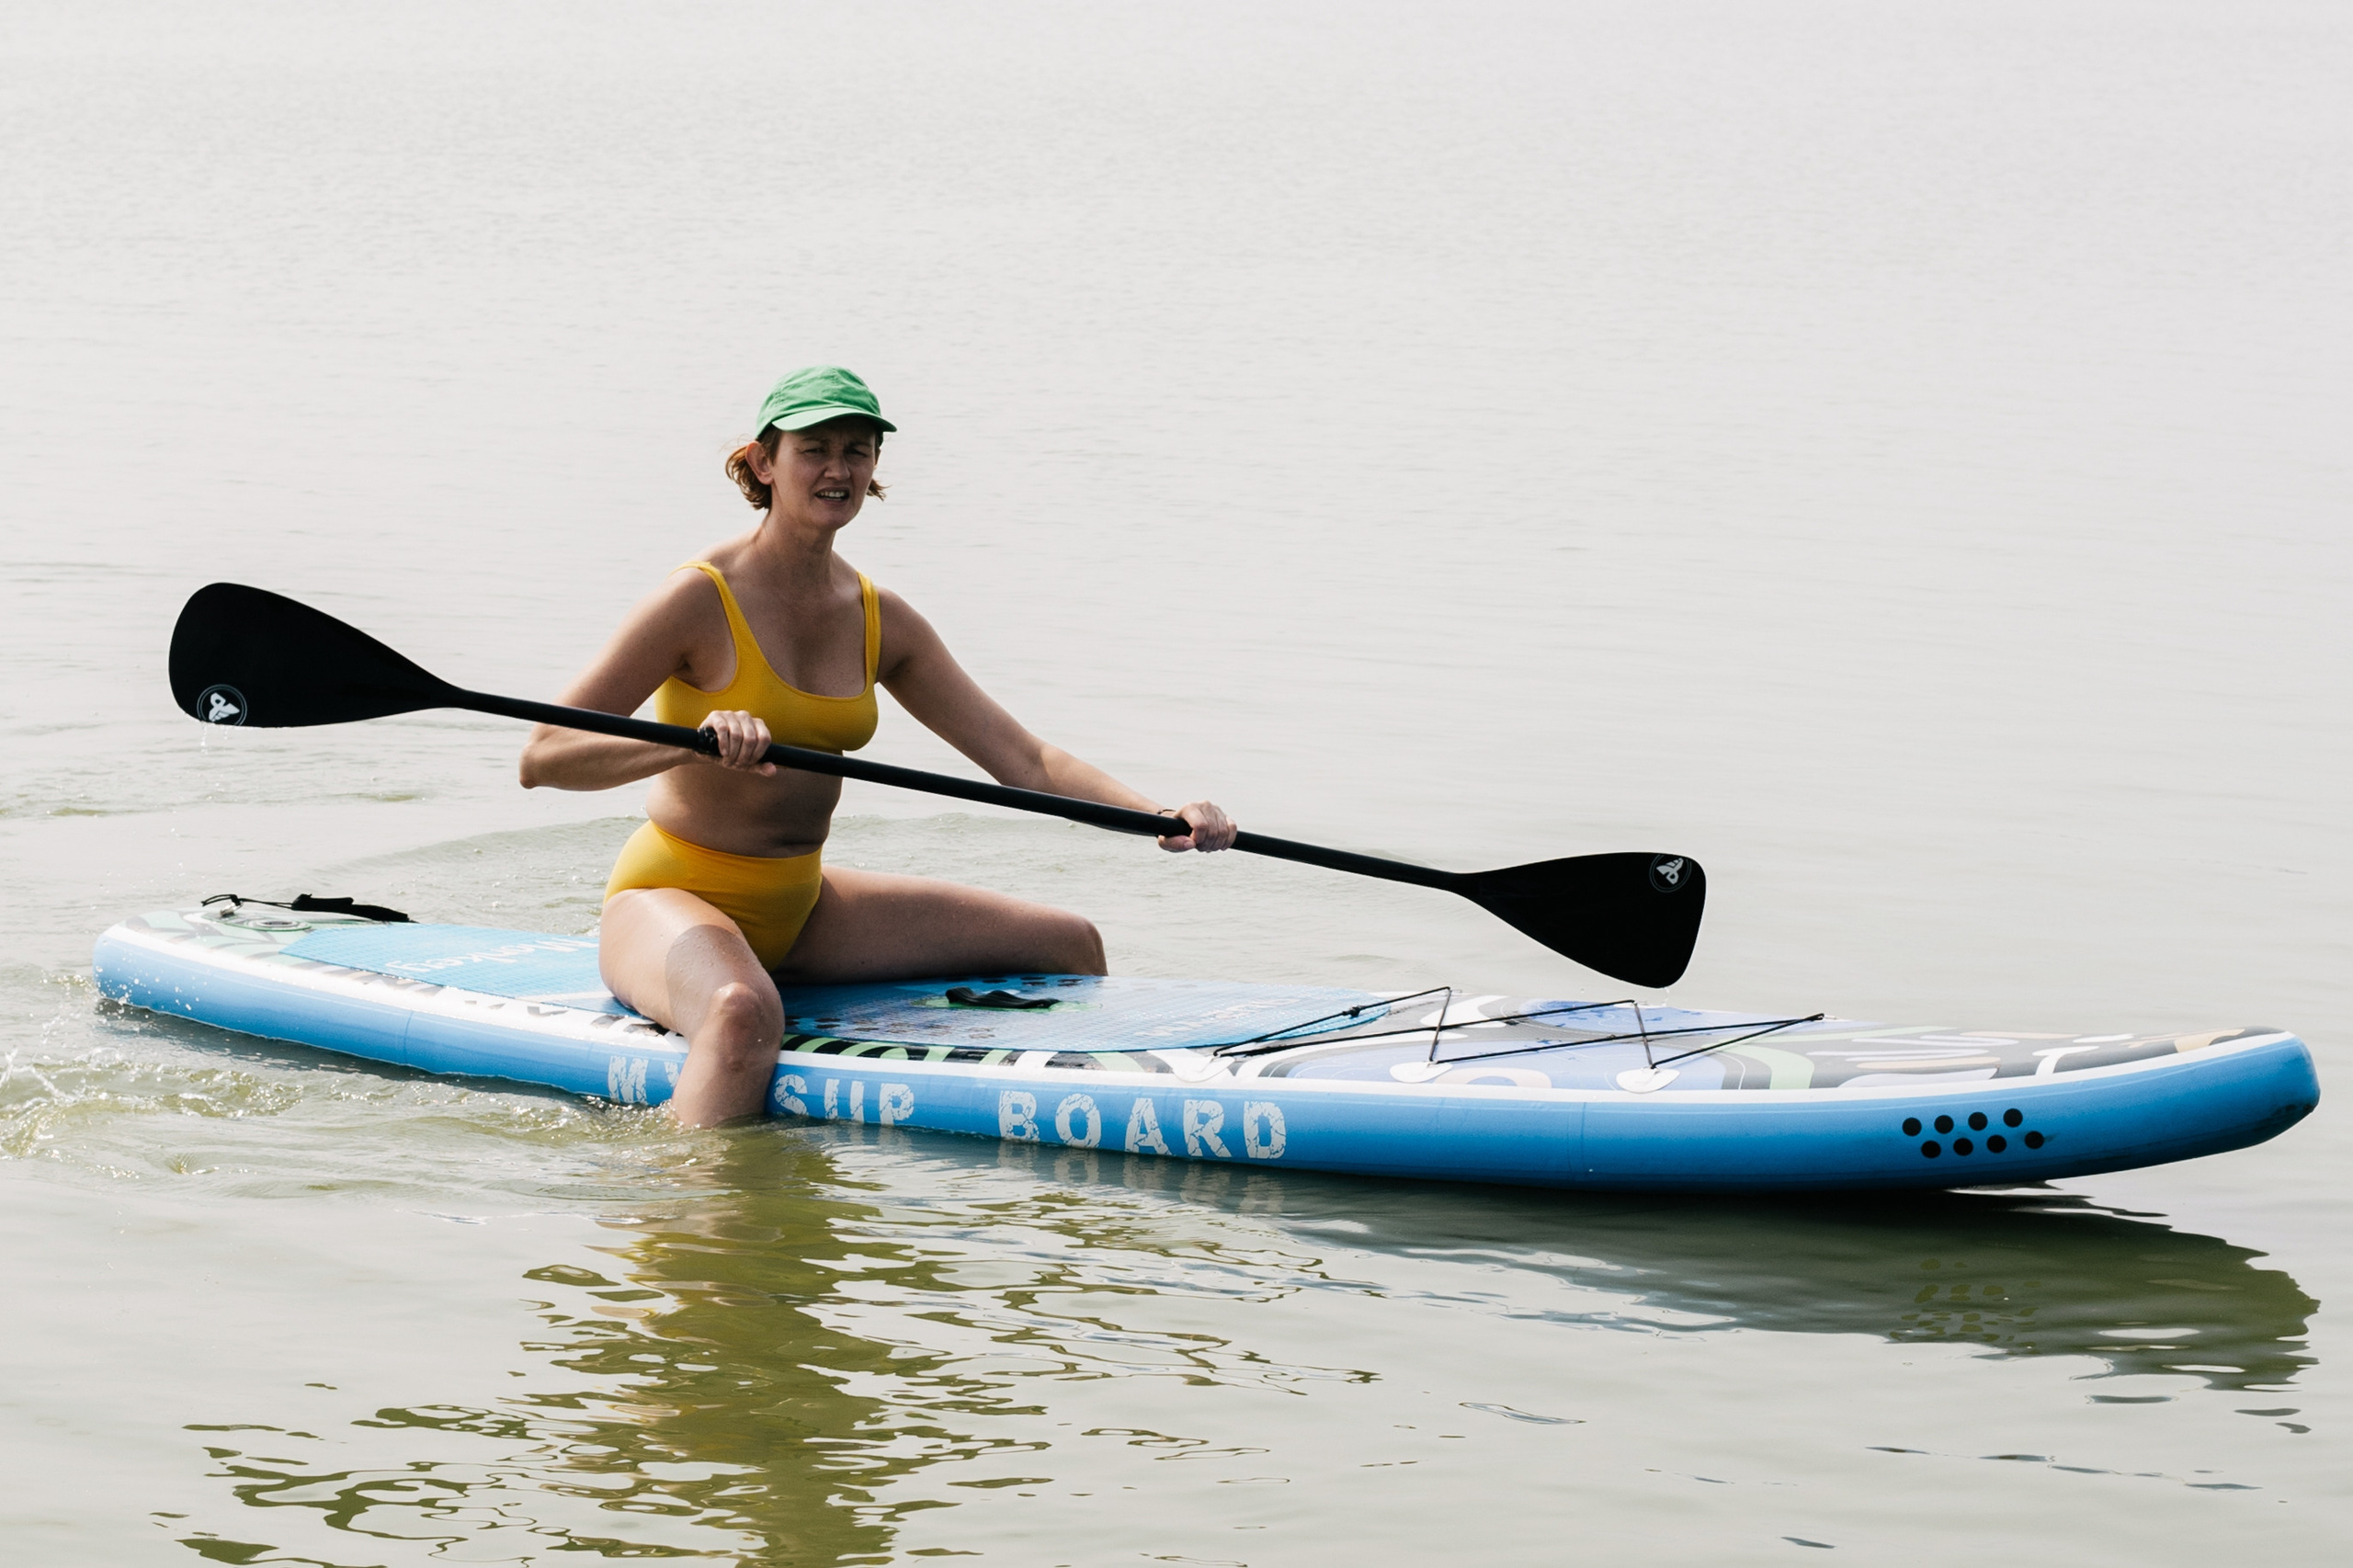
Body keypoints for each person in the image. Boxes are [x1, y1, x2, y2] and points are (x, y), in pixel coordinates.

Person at [519, 366, 1235, 1126]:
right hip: (671, 893)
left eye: (858, 451)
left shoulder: (878, 617)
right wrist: (686, 746)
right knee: (739, 1014)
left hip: (802, 904)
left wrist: (1158, 816)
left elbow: (1024, 761)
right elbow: (545, 757)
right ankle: (689, 1217)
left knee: (1068, 945)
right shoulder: (697, 597)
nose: (838, 469)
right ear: (765, 463)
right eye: (815, 449)